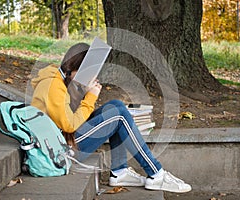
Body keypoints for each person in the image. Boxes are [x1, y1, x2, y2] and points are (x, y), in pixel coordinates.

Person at [30, 42, 192, 193]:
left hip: (65, 141)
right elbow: (69, 125)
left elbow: (74, 118)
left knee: (116, 106)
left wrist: (85, 93)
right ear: (73, 67)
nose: (90, 77)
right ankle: (156, 174)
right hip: (60, 151)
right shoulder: (52, 85)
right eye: (88, 72)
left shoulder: (63, 81)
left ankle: (120, 171)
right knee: (118, 115)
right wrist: (90, 97)